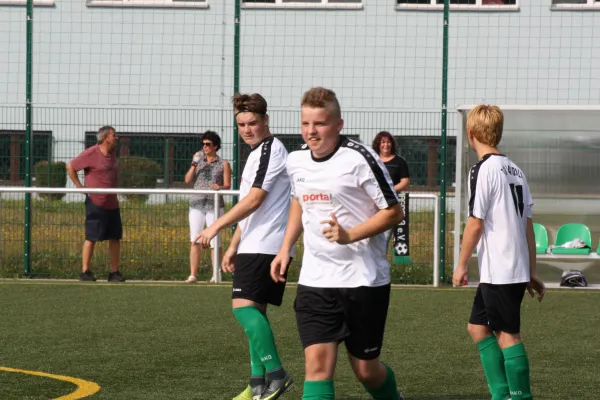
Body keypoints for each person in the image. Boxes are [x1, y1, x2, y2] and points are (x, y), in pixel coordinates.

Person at [271, 87, 405, 400]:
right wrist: (285, 248)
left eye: (319, 123)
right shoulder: (297, 161)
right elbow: (298, 201)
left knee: (365, 371)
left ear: (338, 124)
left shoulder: (360, 159)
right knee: (317, 365)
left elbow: (394, 212)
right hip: (316, 280)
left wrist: (349, 235)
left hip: (363, 280)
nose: (310, 131)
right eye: (305, 123)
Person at [194, 93, 295, 400]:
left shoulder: (271, 150)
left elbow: (255, 200)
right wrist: (234, 245)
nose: (247, 129)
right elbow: (248, 206)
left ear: (266, 119)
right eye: (241, 124)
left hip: (267, 245)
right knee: (255, 313)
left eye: (253, 122)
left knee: (243, 310)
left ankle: (277, 376)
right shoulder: (255, 153)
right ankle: (257, 384)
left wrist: (215, 226)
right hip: (254, 242)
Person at [452, 105, 546, 400]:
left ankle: (520, 396)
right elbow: (528, 226)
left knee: (508, 336)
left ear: (470, 134)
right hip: (510, 268)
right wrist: (530, 270)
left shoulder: (482, 169)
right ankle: (501, 394)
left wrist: (461, 264)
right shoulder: (515, 169)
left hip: (501, 269)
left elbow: (475, 222)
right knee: (478, 328)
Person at [66, 125, 125, 282]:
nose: (116, 138)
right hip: (95, 203)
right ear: (105, 138)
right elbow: (70, 166)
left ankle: (114, 272)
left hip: (112, 203)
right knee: (92, 237)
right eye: (113, 135)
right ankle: (85, 272)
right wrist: (80, 187)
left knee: (115, 237)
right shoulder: (91, 153)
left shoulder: (112, 153)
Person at [184, 130, 231, 284]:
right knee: (195, 239)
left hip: (214, 204)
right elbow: (187, 180)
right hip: (197, 203)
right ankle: (193, 275)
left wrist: (220, 187)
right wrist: (194, 164)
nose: (205, 147)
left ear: (215, 146)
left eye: (208, 144)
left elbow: (228, 185)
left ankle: (216, 274)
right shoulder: (199, 162)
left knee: (214, 240)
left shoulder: (223, 163)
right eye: (203, 144)